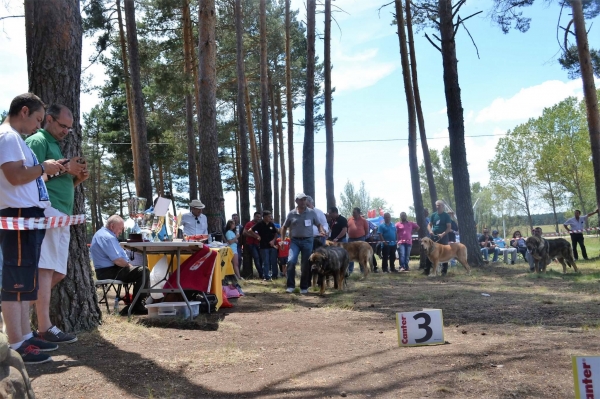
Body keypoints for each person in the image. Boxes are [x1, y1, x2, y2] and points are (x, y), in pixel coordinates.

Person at [0, 93, 66, 364]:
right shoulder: (8, 137)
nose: (39, 126)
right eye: (38, 120)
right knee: (16, 281)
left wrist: (45, 171)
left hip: (26, 215)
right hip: (17, 215)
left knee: (25, 280)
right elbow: (15, 176)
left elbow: (23, 176)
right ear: (24, 111)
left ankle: (25, 336)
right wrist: (42, 168)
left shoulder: (15, 139)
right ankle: (16, 342)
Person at [25, 104, 88, 345]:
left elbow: (53, 182)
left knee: (58, 272)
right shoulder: (38, 140)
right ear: (48, 119)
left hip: (61, 214)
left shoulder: (54, 144)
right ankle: (43, 326)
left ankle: (15, 311)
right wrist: (65, 169)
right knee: (45, 271)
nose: (65, 132)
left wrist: (76, 179)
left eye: (69, 129)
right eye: (62, 126)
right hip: (46, 212)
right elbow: (27, 178)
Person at [90, 215, 150, 315]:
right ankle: (137, 305)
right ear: (112, 226)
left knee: (141, 270)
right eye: (121, 228)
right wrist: (130, 266)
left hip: (109, 270)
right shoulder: (107, 237)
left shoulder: (103, 234)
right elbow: (117, 260)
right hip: (109, 271)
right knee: (143, 271)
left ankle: (136, 304)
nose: (121, 231)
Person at [281, 193, 325, 294]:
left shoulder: (311, 213)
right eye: (301, 200)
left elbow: (318, 224)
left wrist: (321, 230)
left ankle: (304, 287)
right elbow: (284, 227)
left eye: (305, 199)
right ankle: (290, 286)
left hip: (308, 240)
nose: (303, 202)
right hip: (295, 241)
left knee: (305, 264)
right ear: (296, 201)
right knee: (291, 261)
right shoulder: (291, 213)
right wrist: (282, 240)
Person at [427, 200, 452, 276]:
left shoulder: (446, 216)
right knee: (431, 253)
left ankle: (444, 271)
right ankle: (430, 270)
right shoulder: (433, 215)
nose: (437, 207)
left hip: (443, 237)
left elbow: (449, 227)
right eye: (436, 205)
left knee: (445, 253)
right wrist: (430, 231)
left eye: (439, 205)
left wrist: (443, 234)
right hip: (434, 237)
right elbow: (429, 225)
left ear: (443, 206)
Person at [253, 211, 278, 281]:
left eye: (271, 216)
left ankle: (275, 276)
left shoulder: (271, 224)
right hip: (263, 246)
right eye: (269, 216)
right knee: (266, 262)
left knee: (273, 261)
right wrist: (257, 236)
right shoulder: (259, 224)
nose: (270, 217)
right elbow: (250, 230)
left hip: (272, 246)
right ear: (264, 217)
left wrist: (273, 241)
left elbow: (275, 233)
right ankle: (266, 276)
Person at [347, 207, 370, 274]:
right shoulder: (349, 219)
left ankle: (363, 270)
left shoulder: (363, 220)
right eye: (353, 212)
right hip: (351, 239)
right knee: (350, 255)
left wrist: (363, 237)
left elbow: (366, 230)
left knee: (361, 255)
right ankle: (350, 271)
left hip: (360, 239)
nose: (353, 214)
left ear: (359, 213)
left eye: (354, 212)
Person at [243, 212, 263, 279]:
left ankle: (263, 273)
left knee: (261, 259)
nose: (258, 218)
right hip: (251, 244)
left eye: (259, 217)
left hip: (259, 244)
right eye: (257, 217)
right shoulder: (249, 223)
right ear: (254, 216)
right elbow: (244, 232)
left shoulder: (260, 224)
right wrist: (254, 236)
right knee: (256, 258)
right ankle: (261, 274)